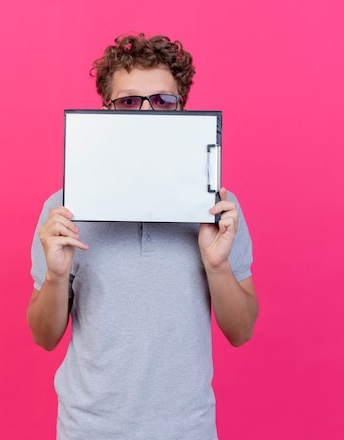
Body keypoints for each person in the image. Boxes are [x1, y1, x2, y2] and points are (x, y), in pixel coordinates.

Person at [27, 33, 259, 440]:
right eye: (129, 101)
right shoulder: (63, 208)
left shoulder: (217, 206)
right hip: (88, 429)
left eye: (163, 102)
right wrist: (55, 275)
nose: (146, 114)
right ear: (105, 110)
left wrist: (217, 266)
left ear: (182, 110)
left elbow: (241, 332)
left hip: (187, 429)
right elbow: (44, 338)